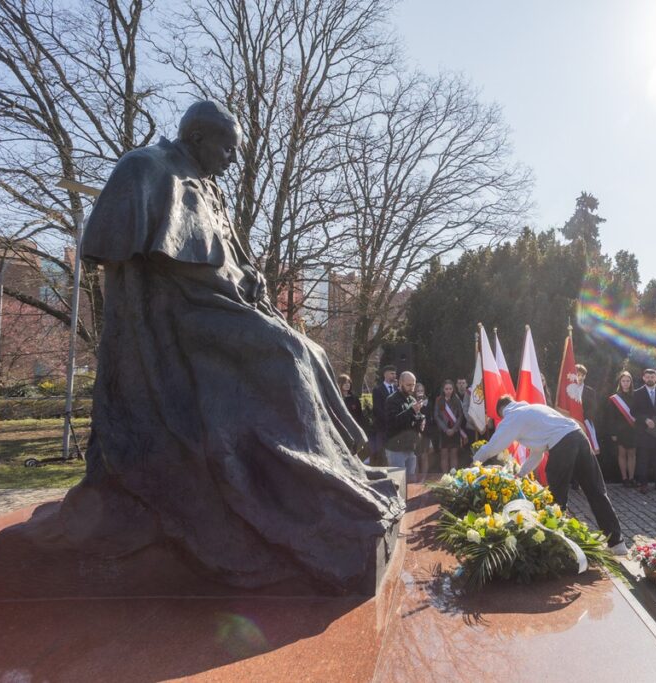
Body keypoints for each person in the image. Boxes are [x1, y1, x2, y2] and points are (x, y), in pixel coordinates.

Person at [45, 100, 402, 594]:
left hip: (222, 308)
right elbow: (139, 267)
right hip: (178, 321)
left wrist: (251, 281)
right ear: (196, 141)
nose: (233, 160)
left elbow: (227, 258)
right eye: (227, 148)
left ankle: (327, 478)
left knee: (310, 352)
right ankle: (298, 496)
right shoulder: (146, 168)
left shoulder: (211, 187)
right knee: (285, 357)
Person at [473, 395, 627, 555]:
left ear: (501, 411)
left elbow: (493, 446)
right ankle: (617, 543)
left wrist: (474, 462)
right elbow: (537, 453)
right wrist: (521, 473)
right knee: (596, 491)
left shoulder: (512, 416)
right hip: (579, 436)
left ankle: (559, 546)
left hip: (562, 444)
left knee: (556, 498)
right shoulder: (534, 410)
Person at [632, 368, 656, 493]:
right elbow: (633, 411)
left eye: (652, 377)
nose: (650, 379)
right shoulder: (637, 393)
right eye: (647, 377)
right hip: (644, 431)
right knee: (643, 458)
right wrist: (645, 419)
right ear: (643, 378)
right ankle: (643, 484)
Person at [384, 371, 424, 480]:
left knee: (411, 482)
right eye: (408, 385)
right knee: (398, 482)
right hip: (396, 448)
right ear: (400, 383)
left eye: (413, 384)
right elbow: (393, 422)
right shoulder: (391, 400)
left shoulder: (412, 399)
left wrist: (421, 420)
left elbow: (414, 420)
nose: (412, 388)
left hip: (410, 447)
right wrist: (411, 410)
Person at [606, 371, 637, 486]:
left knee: (632, 454)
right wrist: (613, 432)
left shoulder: (636, 396)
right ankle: (625, 479)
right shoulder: (614, 398)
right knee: (622, 454)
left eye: (628, 381)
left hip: (632, 429)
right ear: (620, 382)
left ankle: (632, 478)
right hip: (620, 430)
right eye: (623, 381)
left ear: (631, 382)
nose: (625, 383)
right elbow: (611, 417)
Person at [434, 379, 466, 474]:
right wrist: (445, 429)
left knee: (453, 454)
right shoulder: (439, 400)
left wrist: (454, 429)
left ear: (453, 389)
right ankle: (444, 476)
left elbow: (460, 415)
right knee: (444, 455)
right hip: (443, 431)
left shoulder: (456, 399)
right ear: (443, 389)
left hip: (454, 430)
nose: (448, 391)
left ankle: (453, 476)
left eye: (450, 389)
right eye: (446, 389)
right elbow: (436, 415)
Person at [372, 365, 398, 465]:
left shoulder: (397, 389)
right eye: (392, 373)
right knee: (383, 456)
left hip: (395, 430)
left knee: (394, 456)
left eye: (395, 374)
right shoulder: (378, 390)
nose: (394, 376)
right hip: (383, 429)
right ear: (385, 374)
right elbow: (377, 410)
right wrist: (390, 420)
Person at [576, 364, 600, 452]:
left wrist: (583, 417)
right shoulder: (568, 389)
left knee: (586, 448)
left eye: (583, 375)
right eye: (578, 375)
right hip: (572, 421)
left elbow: (593, 408)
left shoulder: (590, 391)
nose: (580, 377)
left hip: (585, 422)